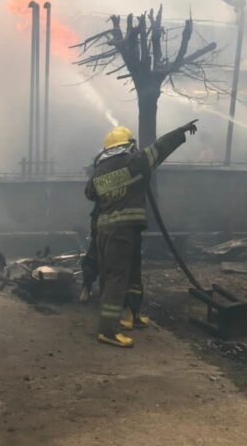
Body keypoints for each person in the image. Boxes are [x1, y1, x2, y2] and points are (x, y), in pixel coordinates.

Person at [85, 121, 198, 348]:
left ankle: (121, 318)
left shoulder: (100, 170)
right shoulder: (135, 163)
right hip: (122, 231)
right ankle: (108, 330)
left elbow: (89, 194)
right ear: (128, 145)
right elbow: (160, 148)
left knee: (110, 277)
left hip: (104, 231)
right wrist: (180, 131)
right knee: (118, 278)